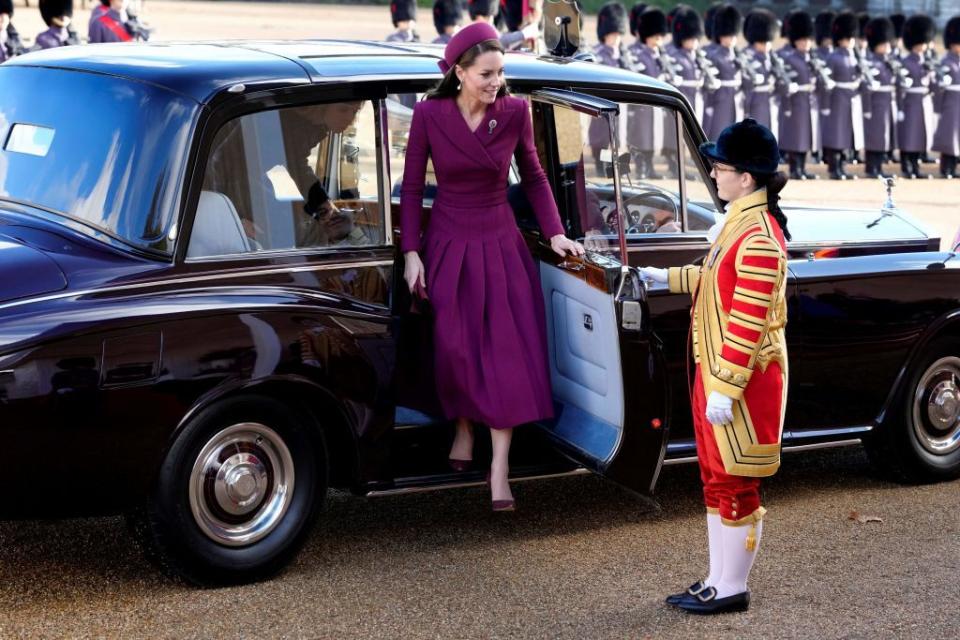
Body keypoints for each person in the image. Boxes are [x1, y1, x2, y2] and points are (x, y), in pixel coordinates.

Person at [399, 22, 583, 512]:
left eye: (500, 72)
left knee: (504, 354)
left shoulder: (515, 111)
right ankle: (463, 425)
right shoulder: (429, 114)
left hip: (500, 240)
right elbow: (413, 187)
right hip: (447, 241)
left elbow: (537, 175)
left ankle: (499, 465)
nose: (495, 82)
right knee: (456, 348)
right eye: (486, 73)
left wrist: (556, 231)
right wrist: (411, 252)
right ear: (459, 72)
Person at [639, 118, 789, 615]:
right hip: (717, 373)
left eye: (721, 167)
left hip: (738, 381)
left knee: (738, 480)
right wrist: (659, 276)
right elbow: (713, 280)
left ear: (745, 177)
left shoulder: (759, 235)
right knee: (715, 477)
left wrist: (725, 387)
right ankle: (718, 578)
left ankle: (734, 586)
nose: (715, 174)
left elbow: (748, 319)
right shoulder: (741, 224)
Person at [627, 6, 669, 179]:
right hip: (642, 102)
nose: (658, 40)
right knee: (640, 136)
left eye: (660, 36)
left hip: (655, 102)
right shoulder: (636, 53)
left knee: (653, 136)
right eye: (655, 36)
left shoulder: (659, 54)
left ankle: (650, 167)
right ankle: (641, 168)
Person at [821, 11, 862, 180]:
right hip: (837, 98)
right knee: (836, 135)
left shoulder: (856, 56)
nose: (851, 41)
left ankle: (843, 166)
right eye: (848, 37)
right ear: (841, 38)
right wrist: (826, 105)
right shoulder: (833, 57)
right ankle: (834, 168)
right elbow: (826, 81)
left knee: (847, 134)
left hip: (851, 98)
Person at [778, 11, 819, 180]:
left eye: (808, 40)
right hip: (796, 102)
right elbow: (784, 83)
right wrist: (787, 107)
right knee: (796, 137)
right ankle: (795, 169)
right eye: (803, 40)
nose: (806, 43)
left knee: (807, 137)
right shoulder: (790, 59)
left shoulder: (812, 59)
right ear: (796, 41)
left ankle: (803, 167)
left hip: (809, 100)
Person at [897, 14, 937, 180]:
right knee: (909, 135)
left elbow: (932, 85)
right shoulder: (905, 62)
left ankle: (916, 165)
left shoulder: (927, 61)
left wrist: (934, 75)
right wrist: (899, 107)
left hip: (924, 101)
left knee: (921, 135)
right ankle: (906, 165)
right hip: (910, 102)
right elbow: (900, 86)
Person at [861, 17, 897, 179]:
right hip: (875, 104)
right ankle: (871, 167)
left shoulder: (889, 62)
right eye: (884, 44)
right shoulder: (869, 63)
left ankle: (879, 166)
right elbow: (866, 89)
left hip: (887, 103)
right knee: (874, 137)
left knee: (884, 138)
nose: (888, 47)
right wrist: (867, 108)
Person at [702, 4, 742, 142]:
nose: (731, 39)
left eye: (733, 35)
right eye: (727, 35)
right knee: (719, 133)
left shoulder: (739, 55)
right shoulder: (713, 55)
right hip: (720, 99)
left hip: (736, 99)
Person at [740, 9, 779, 138]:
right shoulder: (746, 56)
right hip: (754, 101)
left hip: (769, 100)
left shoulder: (771, 56)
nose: (767, 45)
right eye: (763, 42)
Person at [931, 16, 960, 179]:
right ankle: (946, 167)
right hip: (950, 103)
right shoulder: (946, 61)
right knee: (950, 137)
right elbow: (938, 83)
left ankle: (955, 166)